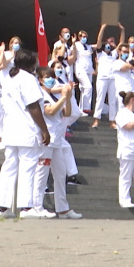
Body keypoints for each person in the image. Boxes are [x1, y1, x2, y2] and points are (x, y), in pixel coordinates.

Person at [0, 49, 51, 219]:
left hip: (11, 129)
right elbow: (33, 106)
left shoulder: (9, 79)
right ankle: (25, 208)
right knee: (27, 166)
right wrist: (44, 129)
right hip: (26, 128)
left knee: (9, 167)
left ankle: (2, 207)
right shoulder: (29, 79)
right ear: (32, 64)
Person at [32, 67, 82, 219]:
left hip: (58, 140)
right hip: (46, 139)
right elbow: (50, 111)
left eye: (52, 77)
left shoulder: (53, 96)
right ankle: (36, 206)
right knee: (42, 173)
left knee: (60, 174)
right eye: (47, 77)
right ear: (40, 79)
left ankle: (63, 208)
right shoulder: (40, 94)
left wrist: (67, 97)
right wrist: (63, 97)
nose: (51, 80)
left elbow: (66, 113)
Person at [92, 23, 125, 129]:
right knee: (100, 99)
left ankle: (112, 121)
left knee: (112, 100)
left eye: (110, 43)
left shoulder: (114, 54)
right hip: (102, 78)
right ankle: (96, 119)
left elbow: (121, 43)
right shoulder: (100, 53)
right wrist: (103, 27)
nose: (109, 45)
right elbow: (99, 40)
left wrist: (122, 30)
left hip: (112, 79)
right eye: (107, 43)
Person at [72, 30, 96, 114]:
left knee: (84, 89)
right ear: (79, 37)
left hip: (89, 70)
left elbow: (99, 45)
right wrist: (73, 43)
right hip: (80, 69)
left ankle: (81, 109)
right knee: (88, 87)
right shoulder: (76, 45)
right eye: (82, 36)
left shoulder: (88, 46)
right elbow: (73, 54)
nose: (84, 38)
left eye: (85, 37)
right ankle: (86, 108)